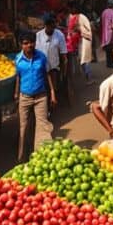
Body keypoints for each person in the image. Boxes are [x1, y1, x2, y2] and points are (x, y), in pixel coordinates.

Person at [13, 33, 56, 162]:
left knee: (42, 125)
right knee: (23, 127)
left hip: (41, 97)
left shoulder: (41, 57)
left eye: (31, 42)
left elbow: (48, 75)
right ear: (21, 45)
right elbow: (18, 77)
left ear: (35, 43)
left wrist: (52, 93)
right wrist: (16, 94)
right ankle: (21, 158)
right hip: (25, 97)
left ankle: (42, 156)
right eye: (25, 43)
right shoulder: (18, 59)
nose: (29, 46)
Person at [35, 15, 67, 108]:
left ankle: (52, 104)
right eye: (49, 25)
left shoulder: (59, 35)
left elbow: (63, 53)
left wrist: (63, 70)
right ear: (45, 25)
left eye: (53, 25)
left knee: (53, 88)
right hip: (41, 67)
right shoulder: (38, 35)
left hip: (54, 67)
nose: (51, 27)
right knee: (42, 88)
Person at [67, 3, 94, 84]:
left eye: (72, 9)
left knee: (84, 60)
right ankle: (85, 77)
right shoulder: (70, 17)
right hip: (76, 42)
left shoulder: (82, 17)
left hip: (84, 41)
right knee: (80, 60)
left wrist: (79, 30)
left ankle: (89, 78)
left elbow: (89, 30)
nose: (71, 11)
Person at [100, 0, 113, 68]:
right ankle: (111, 63)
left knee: (108, 49)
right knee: (112, 48)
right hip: (112, 33)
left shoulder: (104, 12)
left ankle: (108, 63)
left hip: (105, 34)